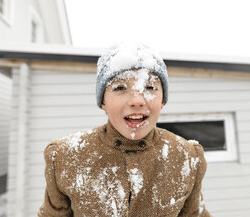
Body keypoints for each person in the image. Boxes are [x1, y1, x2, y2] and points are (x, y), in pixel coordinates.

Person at [38, 43, 211, 217]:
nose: (137, 101)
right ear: (103, 102)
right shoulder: (64, 156)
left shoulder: (187, 156)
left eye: (150, 87)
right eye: (120, 88)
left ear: (162, 101)